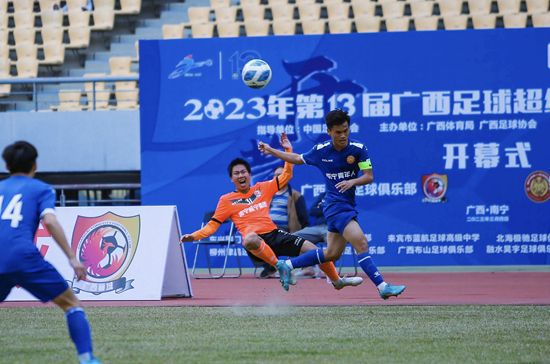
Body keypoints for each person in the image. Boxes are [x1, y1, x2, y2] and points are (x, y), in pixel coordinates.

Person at [180, 133, 363, 291]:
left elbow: (286, 176)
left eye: (244, 172)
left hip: (275, 234)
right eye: (236, 173)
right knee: (250, 238)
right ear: (231, 178)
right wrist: (194, 236)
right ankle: (279, 266)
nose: (241, 175)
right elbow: (212, 226)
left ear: (249, 175)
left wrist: (288, 151)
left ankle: (336, 281)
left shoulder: (262, 188)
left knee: (314, 250)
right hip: (256, 243)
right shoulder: (226, 200)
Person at [258, 109, 406, 300]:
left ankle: (287, 266)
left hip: (347, 205)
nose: (343, 135)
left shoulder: (358, 149)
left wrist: (352, 182)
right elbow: (297, 159)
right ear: (329, 131)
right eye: (338, 132)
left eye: (346, 130)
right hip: (335, 207)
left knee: (331, 254)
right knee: (361, 243)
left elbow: (369, 177)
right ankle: (382, 286)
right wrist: (271, 150)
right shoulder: (321, 151)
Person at [0, 141, 100, 364]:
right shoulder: (41, 189)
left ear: (6, 166)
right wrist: (73, 258)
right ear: (35, 165)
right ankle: (87, 360)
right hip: (23, 256)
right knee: (71, 304)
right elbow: (51, 221)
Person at [256, 165, 309, 279]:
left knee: (271, 237)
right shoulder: (268, 195)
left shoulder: (295, 195)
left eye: (280, 175)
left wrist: (304, 232)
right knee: (251, 239)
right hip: (268, 228)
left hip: (286, 230)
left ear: (286, 177)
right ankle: (270, 267)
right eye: (275, 175)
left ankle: (275, 267)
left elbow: (304, 218)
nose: (277, 177)